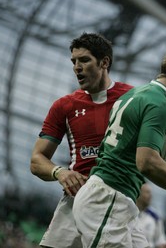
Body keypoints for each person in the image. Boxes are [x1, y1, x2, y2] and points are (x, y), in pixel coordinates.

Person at [73, 46, 166, 247]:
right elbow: (147, 162)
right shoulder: (159, 106)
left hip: (116, 201)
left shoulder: (143, 95)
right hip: (108, 199)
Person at [30, 32, 133, 248]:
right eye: (74, 61)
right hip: (76, 199)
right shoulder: (64, 106)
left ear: (104, 62)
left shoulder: (132, 99)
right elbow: (37, 160)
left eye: (84, 60)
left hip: (117, 201)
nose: (77, 67)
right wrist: (61, 172)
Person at [136, 183, 166, 248]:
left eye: (150, 193)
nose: (150, 196)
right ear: (138, 194)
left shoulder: (155, 216)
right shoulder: (129, 212)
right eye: (147, 192)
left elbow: (160, 240)